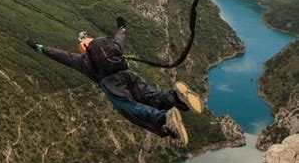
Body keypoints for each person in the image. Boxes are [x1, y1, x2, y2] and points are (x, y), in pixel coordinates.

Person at [25, 17, 204, 146]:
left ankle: (164, 119)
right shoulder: (113, 48)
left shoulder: (83, 60)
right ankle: (176, 98)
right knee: (152, 96)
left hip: (111, 82)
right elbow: (120, 38)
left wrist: (38, 47)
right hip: (128, 74)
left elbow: (59, 55)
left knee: (130, 108)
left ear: (83, 49)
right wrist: (122, 27)